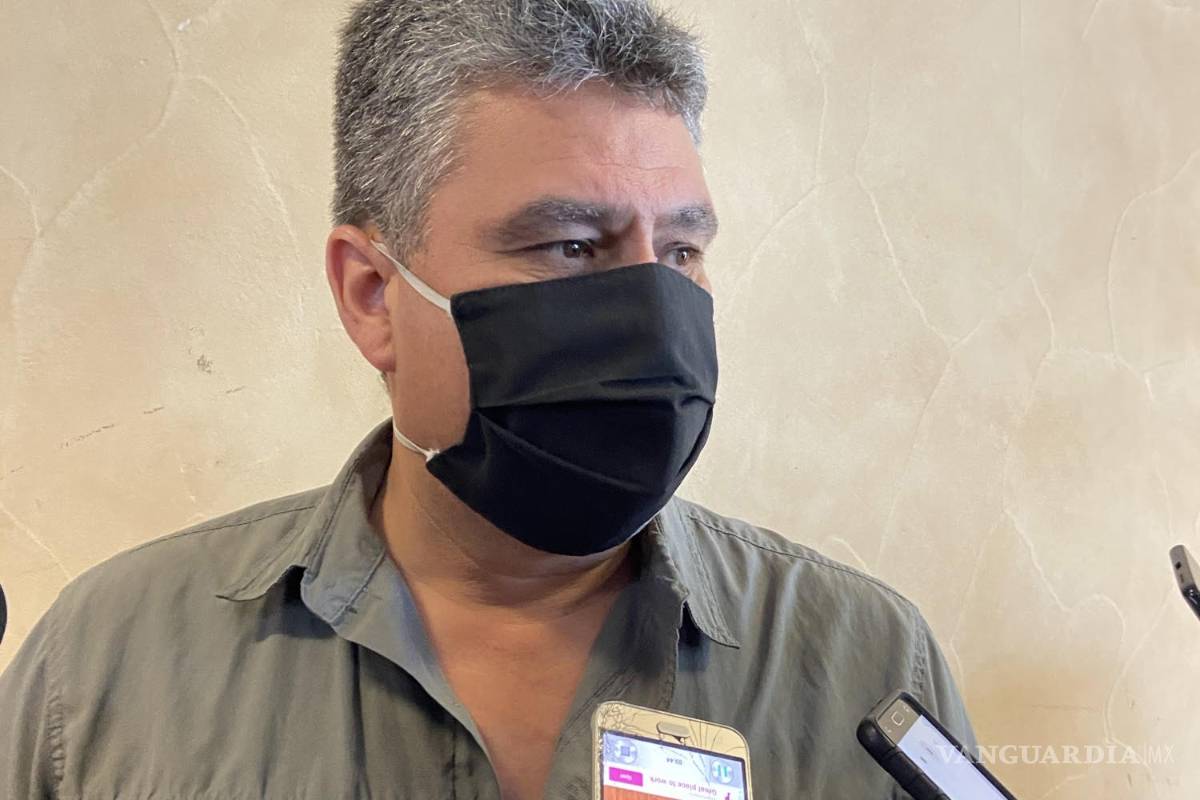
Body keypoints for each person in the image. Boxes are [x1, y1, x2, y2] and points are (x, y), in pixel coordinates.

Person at [0, 1, 977, 797]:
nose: (654, 312)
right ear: (372, 295)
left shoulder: (864, 665)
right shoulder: (105, 670)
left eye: (681, 250)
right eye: (571, 246)